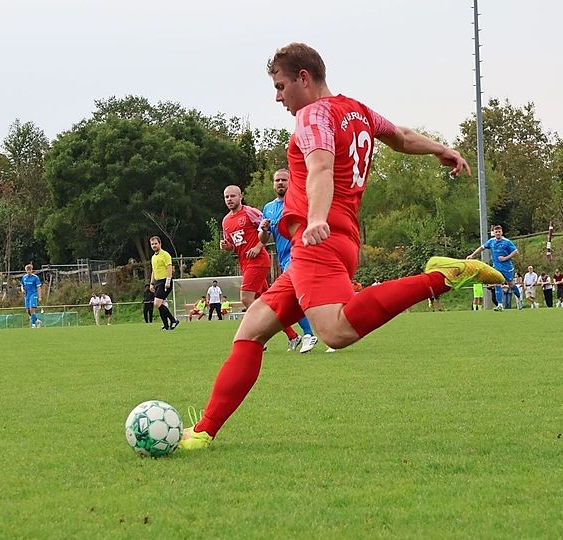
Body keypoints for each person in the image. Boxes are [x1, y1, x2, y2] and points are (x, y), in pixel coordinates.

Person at [179, 42, 502, 451]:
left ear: (304, 78)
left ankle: (439, 277)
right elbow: (400, 135)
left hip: (320, 239)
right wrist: (441, 148)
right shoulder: (358, 110)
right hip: (339, 238)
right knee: (251, 329)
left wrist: (315, 217)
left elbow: (320, 165)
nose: (277, 96)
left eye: (280, 86)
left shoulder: (312, 115)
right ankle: (205, 431)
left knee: (336, 331)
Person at [222, 184, 302, 351]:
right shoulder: (226, 221)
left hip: (258, 261)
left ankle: (258, 336)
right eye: (227, 197)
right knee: (268, 303)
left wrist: (258, 247)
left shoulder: (250, 212)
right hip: (245, 263)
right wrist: (226, 246)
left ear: (240, 196)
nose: (229, 199)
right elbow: (232, 245)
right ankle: (293, 336)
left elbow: (266, 229)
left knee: (246, 298)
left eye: (232, 196)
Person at [259, 168, 319, 353]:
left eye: (284, 180)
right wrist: (263, 229)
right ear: (273, 183)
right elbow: (263, 240)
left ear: (291, 182)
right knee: (302, 298)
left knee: (292, 297)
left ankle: (309, 334)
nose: (280, 183)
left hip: (300, 254)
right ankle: (327, 328)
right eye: (277, 180)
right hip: (284, 259)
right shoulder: (268, 208)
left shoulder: (299, 201)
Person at [466, 224, 519, 311]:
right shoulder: (491, 241)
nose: (498, 233)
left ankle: (519, 298)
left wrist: (506, 258)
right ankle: (500, 305)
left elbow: (516, 252)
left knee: (511, 284)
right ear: (494, 232)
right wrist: (472, 255)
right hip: (496, 267)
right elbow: (482, 248)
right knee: (497, 283)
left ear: (502, 232)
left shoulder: (507, 242)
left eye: (499, 232)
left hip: (507, 267)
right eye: (496, 232)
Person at [149, 235, 179, 330]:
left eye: (155, 243)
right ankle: (166, 325)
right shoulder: (153, 257)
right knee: (160, 304)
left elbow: (169, 268)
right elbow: (153, 271)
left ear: (160, 244)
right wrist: (151, 283)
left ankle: (173, 320)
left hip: (165, 281)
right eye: (152, 244)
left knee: (157, 303)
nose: (154, 245)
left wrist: (168, 281)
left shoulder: (165, 254)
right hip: (158, 282)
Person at [21, 264, 42, 328]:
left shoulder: (35, 278)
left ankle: (33, 325)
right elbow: (22, 285)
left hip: (33, 294)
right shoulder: (24, 277)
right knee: (28, 311)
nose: (28, 271)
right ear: (26, 271)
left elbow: (38, 287)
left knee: (32, 309)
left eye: (30, 270)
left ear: (32, 270)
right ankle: (37, 320)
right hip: (27, 295)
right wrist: (22, 290)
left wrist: (40, 296)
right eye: (27, 270)